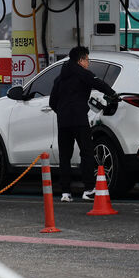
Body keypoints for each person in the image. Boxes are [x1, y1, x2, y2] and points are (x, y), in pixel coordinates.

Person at [49, 46, 117, 202]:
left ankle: (65, 193)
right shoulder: (84, 74)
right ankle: (88, 189)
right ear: (80, 60)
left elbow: (53, 102)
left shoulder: (60, 78)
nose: (88, 62)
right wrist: (112, 94)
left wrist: (62, 112)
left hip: (63, 122)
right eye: (87, 59)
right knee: (86, 152)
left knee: (64, 156)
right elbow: (99, 84)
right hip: (79, 120)